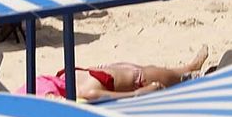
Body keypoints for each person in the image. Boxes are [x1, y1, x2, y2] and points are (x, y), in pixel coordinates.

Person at [26, 46, 209, 103]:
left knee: (164, 72)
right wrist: (139, 93)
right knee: (171, 78)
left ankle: (188, 69)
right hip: (137, 79)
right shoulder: (85, 92)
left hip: (104, 70)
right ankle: (191, 71)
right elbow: (94, 95)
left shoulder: (34, 89)